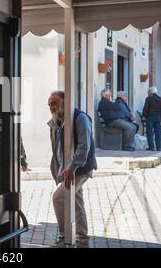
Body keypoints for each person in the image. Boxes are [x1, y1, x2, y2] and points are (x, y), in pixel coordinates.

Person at [48, 91, 97, 248]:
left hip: (80, 170)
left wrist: (71, 168)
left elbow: (84, 147)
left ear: (65, 102)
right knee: (77, 202)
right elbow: (58, 149)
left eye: (54, 103)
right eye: (49, 104)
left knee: (58, 198)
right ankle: (82, 239)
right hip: (69, 170)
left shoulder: (80, 118)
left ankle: (65, 236)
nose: (51, 107)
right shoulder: (59, 121)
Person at [142, 86, 161, 151]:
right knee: (158, 132)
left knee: (149, 132)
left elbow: (145, 108)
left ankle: (151, 147)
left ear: (150, 92)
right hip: (158, 117)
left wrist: (144, 115)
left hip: (150, 117)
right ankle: (158, 147)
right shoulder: (160, 99)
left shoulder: (148, 98)